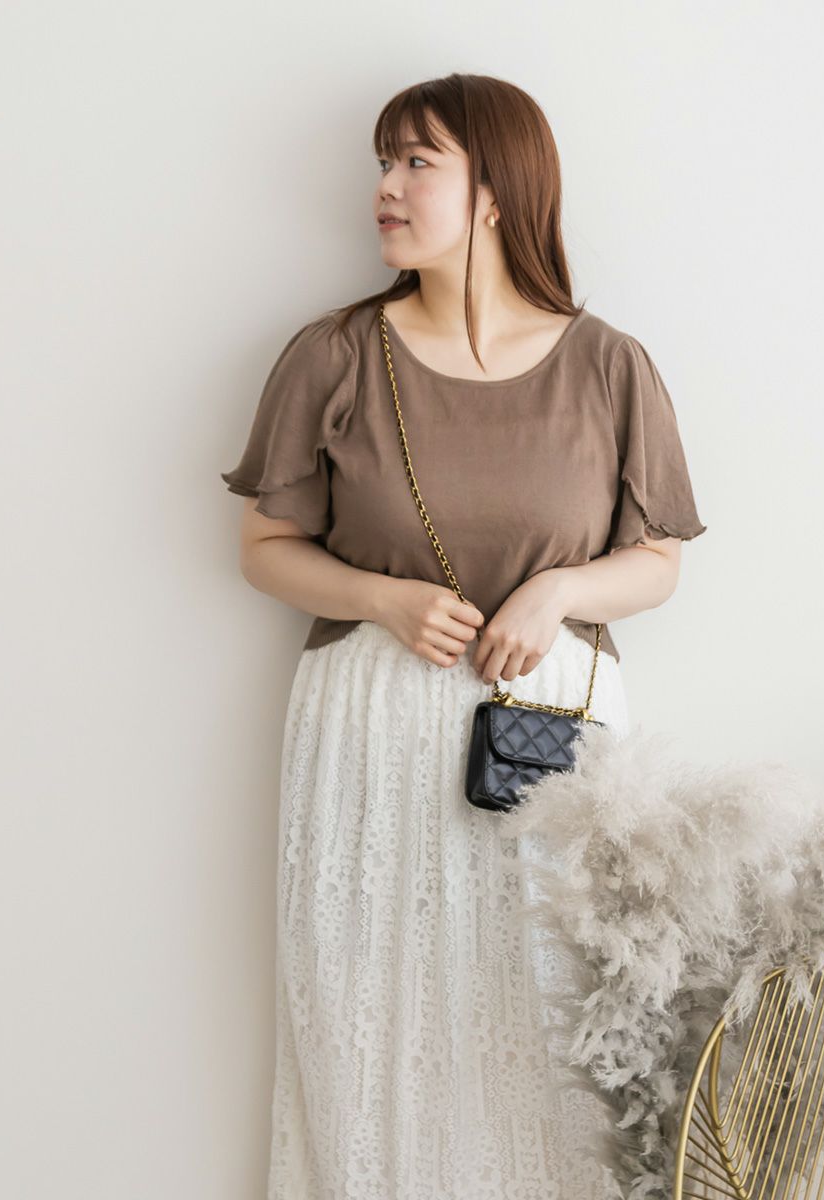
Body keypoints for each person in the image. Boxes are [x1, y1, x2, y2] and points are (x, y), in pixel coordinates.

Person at [221, 72, 707, 1200]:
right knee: (370, 1019)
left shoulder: (608, 364)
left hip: (556, 742)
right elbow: (264, 549)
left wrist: (559, 591)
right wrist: (382, 599)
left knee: (553, 1025)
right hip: (372, 730)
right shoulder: (336, 353)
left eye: (417, 162)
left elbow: (658, 563)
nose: (385, 188)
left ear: (494, 191)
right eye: (382, 163)